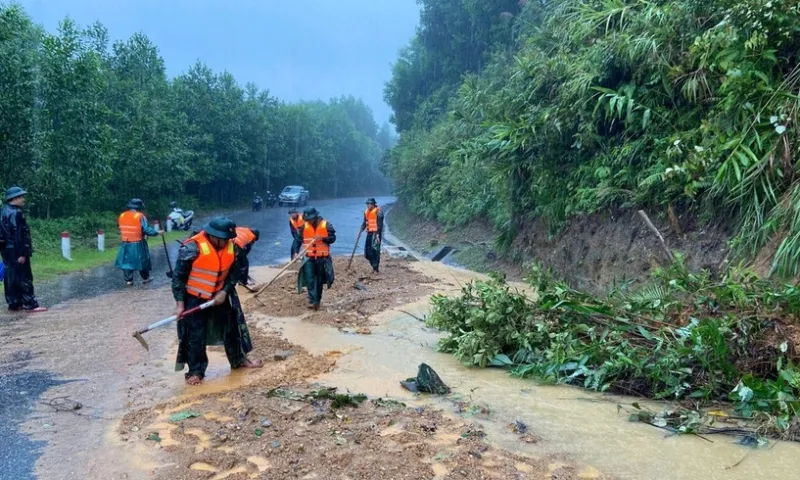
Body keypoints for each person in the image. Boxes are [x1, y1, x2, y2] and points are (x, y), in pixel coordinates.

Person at [172, 217, 263, 385]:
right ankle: (195, 371)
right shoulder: (192, 247)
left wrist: (225, 291)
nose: (226, 242)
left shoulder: (233, 248)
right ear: (213, 236)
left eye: (228, 239)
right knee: (195, 335)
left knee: (232, 329)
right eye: (223, 239)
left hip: (219, 297)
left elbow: (235, 274)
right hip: (195, 298)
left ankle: (238, 360)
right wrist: (180, 305)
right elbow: (178, 279)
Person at [0, 187, 46, 312]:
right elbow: (18, 235)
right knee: (24, 277)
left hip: (6, 251)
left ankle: (14, 303)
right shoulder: (15, 213)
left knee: (11, 277)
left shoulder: (3, 211)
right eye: (21, 197)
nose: (23, 199)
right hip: (16, 249)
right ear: (15, 198)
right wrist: (22, 253)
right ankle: (30, 304)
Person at [115, 198, 162, 286]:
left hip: (125, 243)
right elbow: (146, 230)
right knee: (142, 261)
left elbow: (120, 226)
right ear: (139, 207)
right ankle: (145, 278)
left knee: (126, 262)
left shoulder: (122, 215)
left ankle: (129, 280)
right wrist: (157, 232)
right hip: (137, 242)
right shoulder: (139, 216)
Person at [296, 207, 336, 310]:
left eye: (310, 219)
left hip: (322, 258)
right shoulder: (303, 227)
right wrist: (296, 252)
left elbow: (333, 239)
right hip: (309, 258)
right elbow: (297, 240)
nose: (309, 221)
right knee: (310, 279)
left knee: (319, 281)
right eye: (307, 219)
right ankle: (312, 300)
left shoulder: (326, 225)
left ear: (315, 217)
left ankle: (317, 300)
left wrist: (323, 238)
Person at [360, 198, 385, 273]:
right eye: (367, 204)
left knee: (375, 250)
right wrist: (360, 230)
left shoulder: (379, 212)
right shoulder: (366, 212)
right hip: (369, 233)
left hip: (376, 234)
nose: (368, 205)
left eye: (369, 204)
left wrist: (377, 234)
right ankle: (373, 264)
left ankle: (375, 268)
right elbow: (365, 222)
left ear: (373, 204)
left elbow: (380, 225)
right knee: (367, 252)